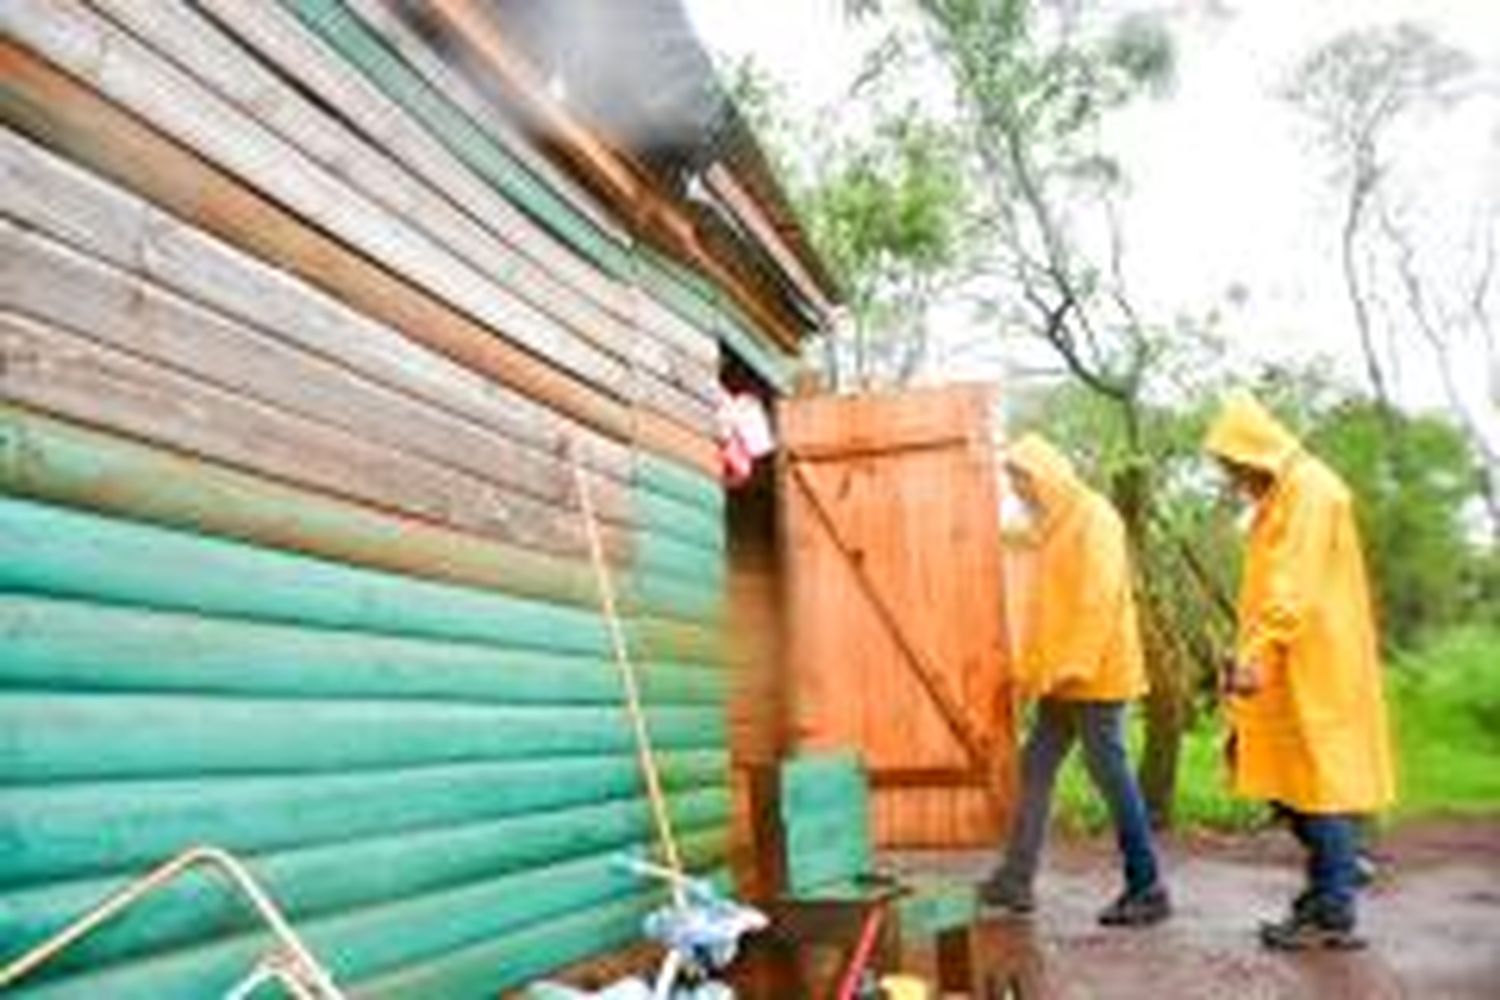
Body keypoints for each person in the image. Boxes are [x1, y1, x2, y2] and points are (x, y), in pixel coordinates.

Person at [1205, 391, 1395, 950]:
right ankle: (1333, 878)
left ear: (1253, 453)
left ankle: (1333, 901)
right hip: (1292, 661)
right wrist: (1254, 650)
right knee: (1286, 776)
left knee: (1316, 785)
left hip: (1311, 663)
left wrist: (1257, 652)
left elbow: (1294, 586)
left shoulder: (1309, 492)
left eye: (1235, 467)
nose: (1235, 478)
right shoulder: (1287, 491)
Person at [979, 434, 1171, 927]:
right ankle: (1016, 880)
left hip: (1097, 676)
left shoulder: (1095, 517)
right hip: (1062, 681)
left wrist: (1074, 664)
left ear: (1047, 473)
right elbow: (1048, 609)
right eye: (1014, 482)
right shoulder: (1054, 525)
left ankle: (1147, 887)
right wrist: (1038, 672)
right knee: (1035, 770)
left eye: (1022, 480)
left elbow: (1098, 599)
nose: (1019, 491)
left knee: (1111, 776)